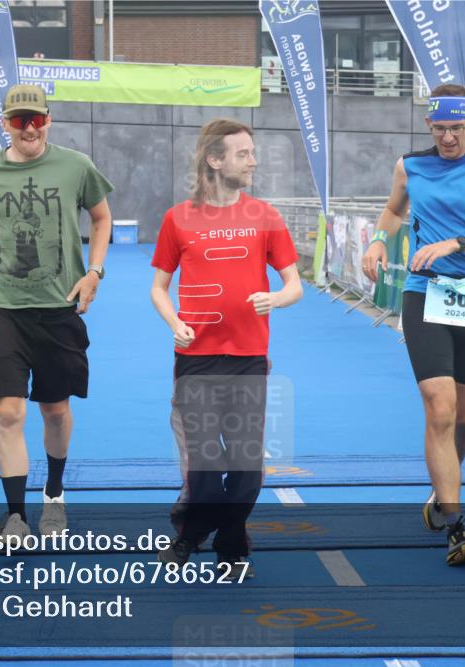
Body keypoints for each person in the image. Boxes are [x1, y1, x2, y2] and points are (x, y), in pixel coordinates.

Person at [361, 84, 465, 566]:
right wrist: (378, 240)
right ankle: (455, 524)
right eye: (439, 129)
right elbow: (394, 210)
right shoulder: (410, 166)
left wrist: (456, 243)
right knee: (440, 407)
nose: (448, 138)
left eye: (457, 128)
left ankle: (440, 489)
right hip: (424, 293)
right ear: (428, 125)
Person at [0, 84, 113, 544]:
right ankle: (15, 516)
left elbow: (101, 217)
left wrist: (94, 272)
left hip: (58, 307)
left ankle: (54, 492)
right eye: (19, 120)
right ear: (5, 124)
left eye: (37, 119)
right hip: (3, 306)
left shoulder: (76, 166)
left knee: (55, 411)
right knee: (9, 413)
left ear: (48, 120)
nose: (29, 128)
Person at [151, 118, 302, 578]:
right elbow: (159, 288)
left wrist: (276, 298)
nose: (253, 161)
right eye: (243, 154)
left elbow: (294, 285)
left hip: (249, 360)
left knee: (246, 470)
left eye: (253, 152)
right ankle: (225, 547)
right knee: (204, 466)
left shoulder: (266, 217)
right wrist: (175, 322)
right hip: (196, 360)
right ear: (215, 160)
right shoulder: (177, 218)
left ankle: (197, 535)